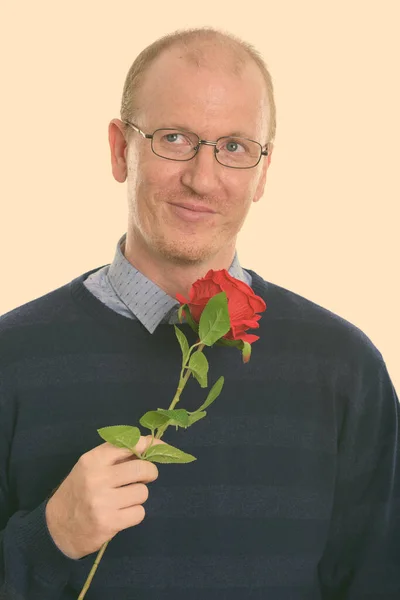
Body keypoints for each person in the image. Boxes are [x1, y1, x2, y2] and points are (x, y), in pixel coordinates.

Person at [0, 27, 399, 600]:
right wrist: (49, 538)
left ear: (262, 171)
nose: (202, 177)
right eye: (174, 138)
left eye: (234, 147)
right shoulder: (11, 359)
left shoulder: (344, 368)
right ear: (120, 150)